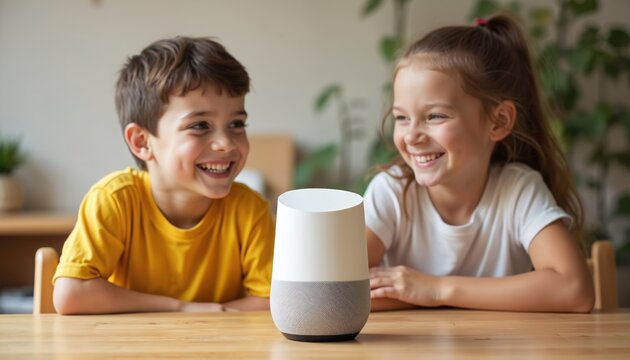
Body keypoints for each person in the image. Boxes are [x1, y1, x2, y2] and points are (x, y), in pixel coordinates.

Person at [364, 14, 595, 313]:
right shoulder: (392, 192)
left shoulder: (518, 190)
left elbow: (575, 290)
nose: (411, 136)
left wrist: (436, 289)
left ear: (498, 121)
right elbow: (337, 290)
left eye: (435, 116)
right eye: (401, 117)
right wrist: (423, 293)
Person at [53, 36, 274, 314]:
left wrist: (200, 317)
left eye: (236, 124)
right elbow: (72, 294)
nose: (227, 143)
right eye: (200, 125)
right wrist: (181, 309)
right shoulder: (114, 200)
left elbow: (271, 301)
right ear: (142, 142)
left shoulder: (250, 209)